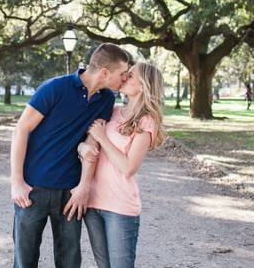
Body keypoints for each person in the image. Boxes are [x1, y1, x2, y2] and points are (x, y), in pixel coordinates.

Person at [10, 43, 130, 268]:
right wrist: (17, 182)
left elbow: (92, 141)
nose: (125, 79)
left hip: (70, 193)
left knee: (70, 261)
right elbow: (21, 129)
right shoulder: (55, 88)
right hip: (32, 188)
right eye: (122, 74)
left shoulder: (106, 99)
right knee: (24, 260)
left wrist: (84, 187)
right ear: (105, 72)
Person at [78, 61, 167, 268]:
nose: (125, 77)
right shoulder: (113, 110)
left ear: (144, 85)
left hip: (119, 207)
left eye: (131, 75)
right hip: (92, 203)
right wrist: (84, 147)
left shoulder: (147, 121)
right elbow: (89, 141)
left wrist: (102, 138)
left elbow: (128, 167)